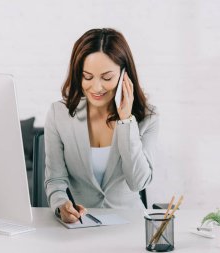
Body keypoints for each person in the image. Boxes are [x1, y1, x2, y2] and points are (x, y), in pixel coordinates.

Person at [44, 28, 159, 223]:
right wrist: (61, 205)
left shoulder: (147, 117)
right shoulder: (59, 114)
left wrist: (125, 121)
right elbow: (55, 179)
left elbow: (138, 182)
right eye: (87, 77)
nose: (96, 87)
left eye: (107, 78)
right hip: (82, 225)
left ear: (125, 75)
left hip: (131, 224)